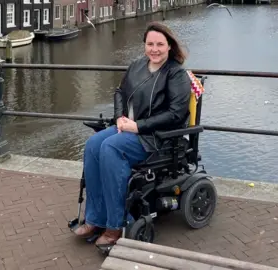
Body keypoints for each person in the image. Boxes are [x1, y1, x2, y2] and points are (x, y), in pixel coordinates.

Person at [74, 21, 192, 247]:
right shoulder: (137, 65)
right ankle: (95, 218)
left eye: (160, 44)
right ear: (144, 46)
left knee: (110, 148)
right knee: (92, 145)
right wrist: (119, 117)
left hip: (155, 137)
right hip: (127, 127)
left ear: (169, 46)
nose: (154, 49)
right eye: (150, 44)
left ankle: (115, 225)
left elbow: (176, 114)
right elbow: (120, 92)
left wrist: (138, 126)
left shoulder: (176, 74)